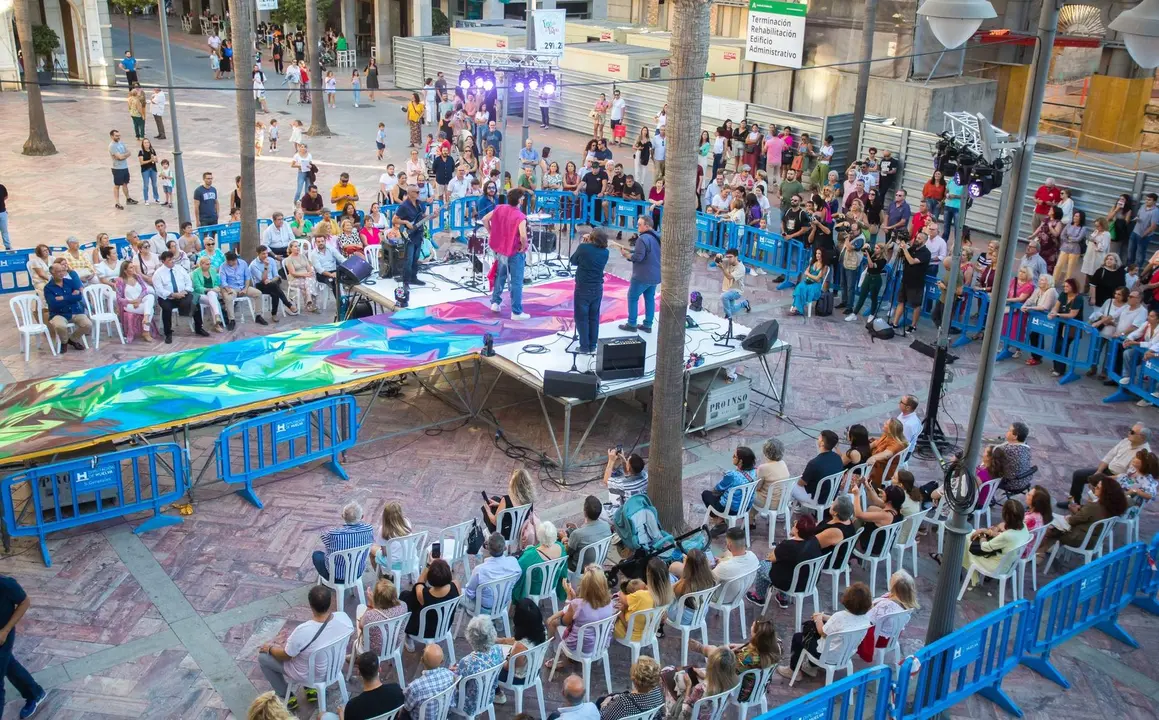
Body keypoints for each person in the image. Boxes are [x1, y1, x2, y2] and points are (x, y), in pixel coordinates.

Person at [258, 586, 353, 711]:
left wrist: (270, 648)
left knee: (263, 658)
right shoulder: (344, 618)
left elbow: (286, 655)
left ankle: (287, 696)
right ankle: (310, 690)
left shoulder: (303, 631)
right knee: (308, 655)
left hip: (308, 675)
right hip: (334, 668)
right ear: (330, 602)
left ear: (311, 605)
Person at [779, 582, 871, 680]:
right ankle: (811, 667)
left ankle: (793, 671)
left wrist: (818, 618)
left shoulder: (839, 616)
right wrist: (824, 617)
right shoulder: (865, 619)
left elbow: (822, 632)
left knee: (798, 637)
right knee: (818, 633)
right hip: (845, 655)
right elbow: (843, 623)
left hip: (827, 655)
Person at [1062, 424, 1150, 508]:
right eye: (1130, 430)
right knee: (1078, 475)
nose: (1129, 433)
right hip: (1108, 471)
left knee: (1098, 487)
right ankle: (1073, 503)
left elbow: (1129, 477)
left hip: (1119, 480)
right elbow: (1109, 456)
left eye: (1132, 432)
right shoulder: (1126, 441)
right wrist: (1098, 472)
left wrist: (1102, 480)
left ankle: (1091, 511)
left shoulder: (1143, 454)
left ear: (1141, 437)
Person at [1041, 475, 1129, 558]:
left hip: (1080, 539)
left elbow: (1073, 520)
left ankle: (1040, 552)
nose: (1095, 489)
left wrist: (1073, 513)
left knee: (1050, 526)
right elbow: (1091, 516)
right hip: (1096, 539)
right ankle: (1050, 547)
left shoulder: (1094, 506)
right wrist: (1082, 509)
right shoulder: (1113, 505)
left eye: (1098, 488)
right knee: (1057, 523)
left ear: (1105, 493)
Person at [748, 514, 823, 608]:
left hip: (789, 583)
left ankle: (759, 597)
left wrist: (775, 551)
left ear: (798, 529)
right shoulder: (814, 541)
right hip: (809, 582)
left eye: (796, 523)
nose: (794, 523)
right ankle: (782, 598)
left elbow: (771, 559)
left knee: (762, 565)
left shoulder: (788, 545)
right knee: (786, 566)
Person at [0, 574, 47, 718]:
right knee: (8, 664)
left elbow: (24, 602)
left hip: (2, 637)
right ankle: (35, 693)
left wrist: (5, 630)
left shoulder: (5, 584)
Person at [546, 565, 616, 662]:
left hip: (578, 646)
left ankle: (555, 651)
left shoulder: (577, 604)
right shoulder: (610, 603)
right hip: (600, 643)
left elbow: (565, 621)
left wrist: (569, 598)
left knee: (554, 622)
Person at [961, 499, 1030, 588]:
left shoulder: (1007, 536)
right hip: (1008, 564)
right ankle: (964, 567)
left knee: (966, 538)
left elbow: (985, 547)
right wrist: (989, 532)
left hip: (996, 566)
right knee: (970, 535)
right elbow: (1004, 536)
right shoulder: (1024, 527)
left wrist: (982, 534)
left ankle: (961, 569)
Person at [485, 188, 531, 319]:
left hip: (501, 249)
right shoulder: (520, 216)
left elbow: (484, 219)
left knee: (500, 275)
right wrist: (524, 246)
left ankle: (495, 302)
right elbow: (523, 235)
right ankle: (516, 311)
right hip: (514, 251)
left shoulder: (499, 208)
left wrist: (491, 232)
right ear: (520, 200)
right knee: (516, 281)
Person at [494, 598, 548, 704]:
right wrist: (502, 641)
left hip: (517, 677)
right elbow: (521, 641)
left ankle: (497, 694)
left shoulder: (520, 647)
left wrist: (498, 657)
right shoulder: (542, 631)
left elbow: (508, 667)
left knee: (487, 662)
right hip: (533, 670)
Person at [855, 570, 918, 662]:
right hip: (892, 636)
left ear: (896, 588)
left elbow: (868, 619)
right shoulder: (907, 603)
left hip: (879, 638)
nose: (892, 575)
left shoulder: (887, 605)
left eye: (893, 576)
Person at [660, 646, 738, 718]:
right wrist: (705, 676)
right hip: (712, 715)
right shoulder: (733, 684)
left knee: (667, 671)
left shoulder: (700, 689)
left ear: (711, 668)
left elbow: (684, 715)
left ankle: (666, 712)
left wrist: (688, 687)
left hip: (692, 716)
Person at [311, 501, 374, 585]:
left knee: (317, 554)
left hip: (335, 576)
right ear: (362, 517)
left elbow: (324, 538)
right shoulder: (369, 529)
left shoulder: (334, 534)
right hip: (357, 573)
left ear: (342, 516)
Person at [618, 215, 662, 333]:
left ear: (646, 226)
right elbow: (649, 251)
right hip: (655, 274)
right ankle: (648, 325)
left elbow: (638, 257)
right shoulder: (658, 236)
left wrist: (626, 255)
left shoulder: (642, 239)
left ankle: (632, 324)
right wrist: (631, 250)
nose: (637, 226)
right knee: (649, 299)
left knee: (632, 297)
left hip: (642, 275)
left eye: (639, 224)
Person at [453, 617, 505, 715]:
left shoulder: (467, 662)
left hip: (468, 704)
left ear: (471, 637)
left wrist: (454, 674)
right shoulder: (498, 649)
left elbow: (459, 685)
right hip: (489, 696)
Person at [702, 446, 758, 535]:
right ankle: (721, 521)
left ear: (741, 461)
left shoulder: (732, 475)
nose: (732, 457)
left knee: (706, 494)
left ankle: (719, 521)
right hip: (746, 507)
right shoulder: (756, 472)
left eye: (734, 456)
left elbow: (718, 488)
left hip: (730, 509)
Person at [570, 229, 609, 354]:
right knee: (594, 317)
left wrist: (584, 243)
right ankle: (592, 345)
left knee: (581, 317)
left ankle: (584, 346)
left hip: (583, 287)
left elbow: (573, 261)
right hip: (597, 287)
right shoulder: (605, 252)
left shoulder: (583, 248)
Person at [402, 558, 460, 639]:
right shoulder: (456, 586)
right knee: (410, 597)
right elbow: (452, 580)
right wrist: (443, 568)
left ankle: (408, 637)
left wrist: (428, 565)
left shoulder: (422, 594)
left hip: (423, 631)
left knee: (405, 595)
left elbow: (419, 583)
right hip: (444, 627)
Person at [464, 532, 522, 613]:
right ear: (505, 548)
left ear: (488, 549)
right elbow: (517, 577)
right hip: (504, 604)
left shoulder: (479, 570)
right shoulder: (514, 562)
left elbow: (470, 593)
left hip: (484, 608)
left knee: (461, 593)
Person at [514, 521, 566, 603]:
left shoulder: (531, 555)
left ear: (539, 536)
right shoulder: (561, 547)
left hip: (534, 589)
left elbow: (518, 570)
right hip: (553, 583)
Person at [890, 231, 932, 333]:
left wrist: (905, 249)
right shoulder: (912, 248)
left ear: (925, 241)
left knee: (916, 305)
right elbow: (903, 257)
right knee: (901, 301)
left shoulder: (926, 253)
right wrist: (902, 249)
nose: (917, 240)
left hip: (916, 283)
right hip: (905, 280)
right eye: (917, 237)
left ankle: (913, 325)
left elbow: (912, 261)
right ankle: (895, 323)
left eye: (919, 239)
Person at [343, 652, 404, 720]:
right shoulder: (397, 690)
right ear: (379, 669)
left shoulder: (352, 706)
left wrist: (341, 716)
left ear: (359, 673)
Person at [483, 468, 538, 543]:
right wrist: (499, 505)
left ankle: (492, 542)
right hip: (521, 529)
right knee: (495, 499)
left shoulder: (507, 499)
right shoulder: (530, 499)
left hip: (504, 533)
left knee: (486, 509)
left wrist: (487, 510)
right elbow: (518, 508)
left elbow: (495, 522)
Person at [402, 644, 456, 720]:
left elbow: (406, 707)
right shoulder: (449, 674)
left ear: (422, 660)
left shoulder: (415, 687)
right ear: (442, 661)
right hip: (442, 715)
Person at [666, 550, 716, 627]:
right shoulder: (712, 579)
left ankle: (658, 628)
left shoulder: (684, 585)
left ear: (687, 566)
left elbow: (669, 593)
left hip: (683, 618)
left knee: (669, 577)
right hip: (701, 613)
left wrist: (682, 577)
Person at [792, 430, 844, 504]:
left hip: (816, 498)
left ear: (822, 443)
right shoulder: (838, 458)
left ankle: (785, 509)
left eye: (819, 438)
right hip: (831, 495)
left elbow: (801, 483)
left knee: (789, 485)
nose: (817, 438)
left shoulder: (814, 463)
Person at [563, 495, 613, 574]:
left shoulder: (577, 534)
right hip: (598, 563)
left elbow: (567, 552)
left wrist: (563, 539)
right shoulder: (607, 526)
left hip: (580, 568)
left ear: (585, 512)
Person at [711, 527, 760, 604]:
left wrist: (706, 565)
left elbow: (707, 579)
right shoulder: (753, 557)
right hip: (739, 595)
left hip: (721, 598)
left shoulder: (724, 567)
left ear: (729, 545)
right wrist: (721, 562)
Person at [249, 245, 296, 319]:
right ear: (258, 254)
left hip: (272, 282)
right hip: (260, 285)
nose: (266, 255)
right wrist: (266, 266)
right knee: (275, 288)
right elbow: (263, 279)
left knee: (274, 288)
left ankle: (275, 313)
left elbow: (277, 276)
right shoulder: (253, 265)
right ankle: (287, 305)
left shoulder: (271, 260)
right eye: (263, 254)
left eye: (267, 253)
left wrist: (271, 281)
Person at [751, 439, 791, 523]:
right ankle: (753, 517)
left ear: (765, 452)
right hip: (783, 502)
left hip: (769, 503)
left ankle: (750, 520)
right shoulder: (783, 463)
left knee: (748, 494)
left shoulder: (763, 468)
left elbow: (758, 487)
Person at [991, 422, 1034, 496]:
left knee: (986, 474)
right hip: (1025, 480)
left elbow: (992, 462)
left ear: (1015, 436)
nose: (1007, 432)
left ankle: (983, 499)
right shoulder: (1026, 446)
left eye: (1009, 430)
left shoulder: (1006, 450)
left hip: (1012, 483)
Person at [191, 254, 229, 332]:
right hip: (201, 295)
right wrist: (211, 289)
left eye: (210, 264)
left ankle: (217, 318)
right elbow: (197, 288)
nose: (209, 265)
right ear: (201, 264)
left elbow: (215, 283)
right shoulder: (196, 273)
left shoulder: (212, 270)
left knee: (211, 295)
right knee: (213, 299)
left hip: (213, 294)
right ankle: (217, 320)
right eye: (207, 264)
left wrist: (215, 288)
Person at [789, 248, 828, 316]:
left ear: (823, 255)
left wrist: (809, 275)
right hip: (809, 281)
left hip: (816, 285)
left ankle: (797, 308)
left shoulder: (825, 266)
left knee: (807, 289)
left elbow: (817, 279)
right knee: (799, 287)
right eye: (816, 253)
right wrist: (810, 276)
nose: (817, 255)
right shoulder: (813, 262)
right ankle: (797, 308)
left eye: (819, 253)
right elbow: (805, 272)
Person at [1128, 192, 1159, 270]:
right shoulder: (1142, 206)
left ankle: (1136, 271)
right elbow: (1138, 216)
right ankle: (1128, 269)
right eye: (1146, 199)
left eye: (1149, 200)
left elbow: (1153, 226)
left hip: (1144, 236)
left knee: (1140, 255)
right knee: (1130, 252)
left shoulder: (1155, 211)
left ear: (1154, 201)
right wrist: (1136, 219)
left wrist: (1144, 235)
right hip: (1135, 232)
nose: (1147, 201)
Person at [109, 129, 137, 210]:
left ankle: (128, 198)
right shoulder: (112, 146)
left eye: (119, 135)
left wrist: (122, 156)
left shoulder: (121, 143)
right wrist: (123, 156)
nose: (118, 137)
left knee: (125, 183)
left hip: (124, 167)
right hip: (117, 168)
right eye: (116, 136)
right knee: (117, 185)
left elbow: (129, 152)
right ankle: (117, 202)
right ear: (112, 136)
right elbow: (120, 157)